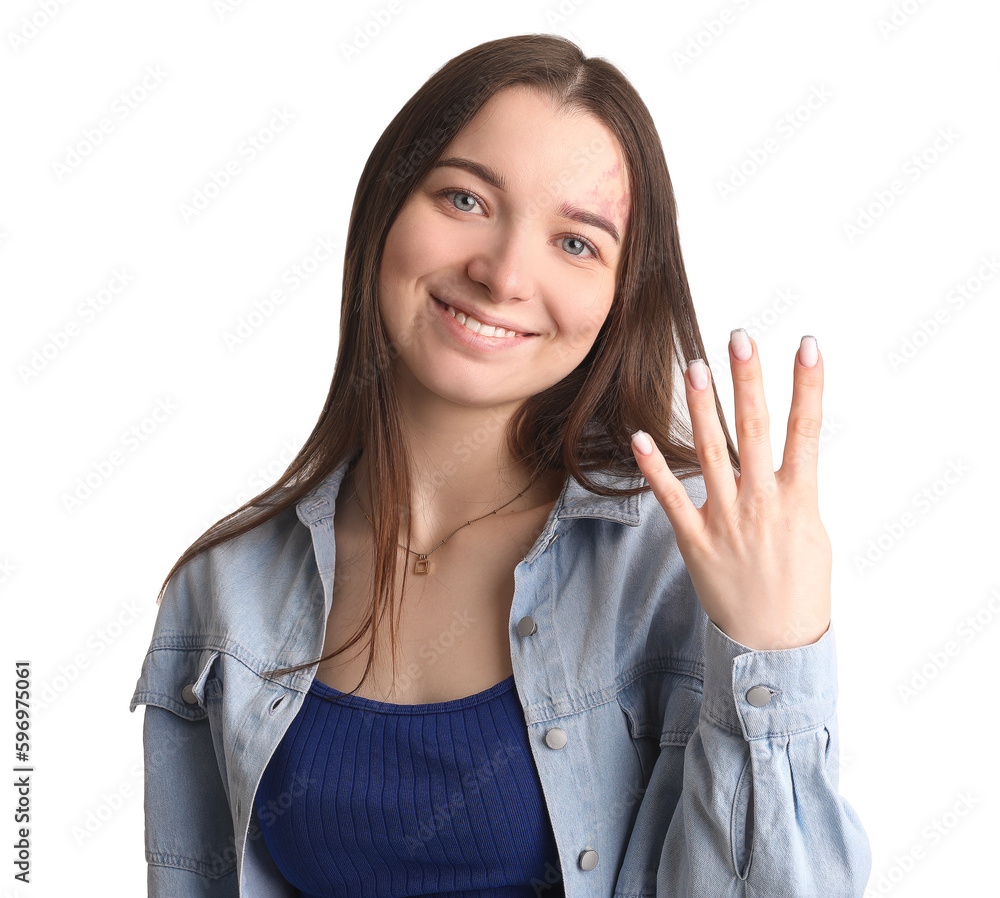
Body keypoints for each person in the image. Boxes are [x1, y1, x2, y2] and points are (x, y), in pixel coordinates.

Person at [130, 33, 871, 898]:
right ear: (385, 207)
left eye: (577, 243)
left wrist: (775, 657)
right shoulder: (225, 591)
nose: (504, 273)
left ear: (620, 299)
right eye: (466, 199)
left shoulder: (684, 557)